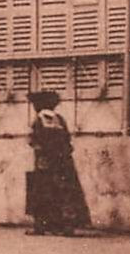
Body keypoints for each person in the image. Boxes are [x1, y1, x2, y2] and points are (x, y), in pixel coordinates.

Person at [26, 90, 91, 236]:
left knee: (42, 193)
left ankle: (41, 226)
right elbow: (68, 142)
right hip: (63, 162)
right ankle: (66, 226)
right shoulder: (60, 119)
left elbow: (34, 141)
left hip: (45, 162)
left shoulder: (38, 120)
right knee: (65, 192)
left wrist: (42, 154)